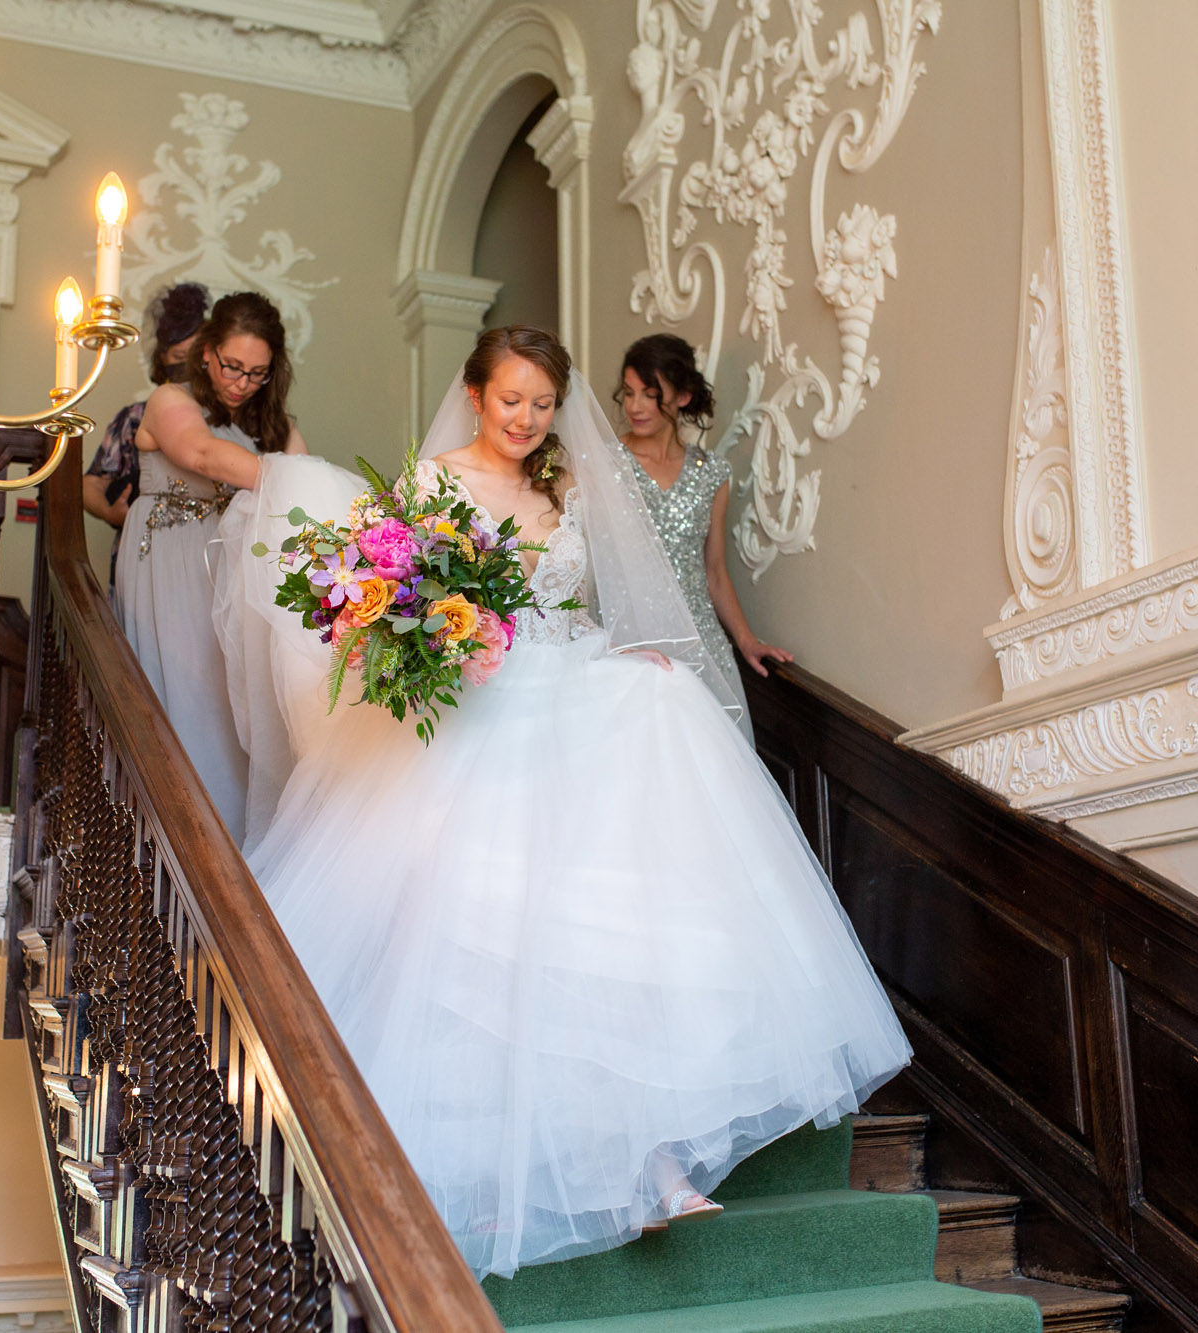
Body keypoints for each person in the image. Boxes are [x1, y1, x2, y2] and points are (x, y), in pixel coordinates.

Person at [213, 326, 910, 1281]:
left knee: (644, 790)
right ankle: (611, 1161)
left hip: (565, 683)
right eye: (511, 401)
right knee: (502, 920)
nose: (527, 420)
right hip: (476, 707)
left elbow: (586, 606)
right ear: (474, 393)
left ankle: (653, 1155)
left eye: (542, 404)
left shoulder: (571, 482)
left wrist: (624, 651)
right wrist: (433, 646)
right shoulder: (427, 489)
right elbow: (385, 612)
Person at [116, 290, 305, 838]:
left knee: (237, 703)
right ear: (206, 353)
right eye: (232, 366)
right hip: (171, 561)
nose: (242, 383)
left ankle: (231, 848)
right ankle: (175, 836)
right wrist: (299, 482)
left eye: (258, 373)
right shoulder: (168, 400)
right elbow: (200, 454)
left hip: (235, 569)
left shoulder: (275, 425)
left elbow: (304, 502)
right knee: (185, 696)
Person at [616, 334, 793, 700]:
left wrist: (746, 641)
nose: (635, 406)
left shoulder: (711, 473)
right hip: (630, 642)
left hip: (700, 648)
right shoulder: (602, 462)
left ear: (682, 396)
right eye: (628, 392)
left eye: (650, 394)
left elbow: (713, 571)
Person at [83, 281, 210, 587]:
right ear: (163, 358)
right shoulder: (133, 419)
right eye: (179, 355)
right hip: (139, 560)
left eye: (195, 355)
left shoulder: (221, 420)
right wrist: (112, 514)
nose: (187, 366)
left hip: (202, 563)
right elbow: (91, 483)